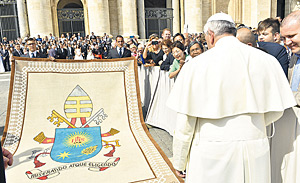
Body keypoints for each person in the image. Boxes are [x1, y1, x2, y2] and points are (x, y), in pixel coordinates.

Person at [167, 13, 295, 182]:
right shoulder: (266, 60)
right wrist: (252, 123)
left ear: (211, 36)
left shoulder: (195, 66)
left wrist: (179, 162)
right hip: (255, 147)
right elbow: (276, 111)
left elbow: (185, 123)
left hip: (211, 151)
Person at [273, 10, 300, 183]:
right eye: (284, 38)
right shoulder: (293, 57)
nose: (287, 42)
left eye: (291, 36)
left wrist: (281, 95)